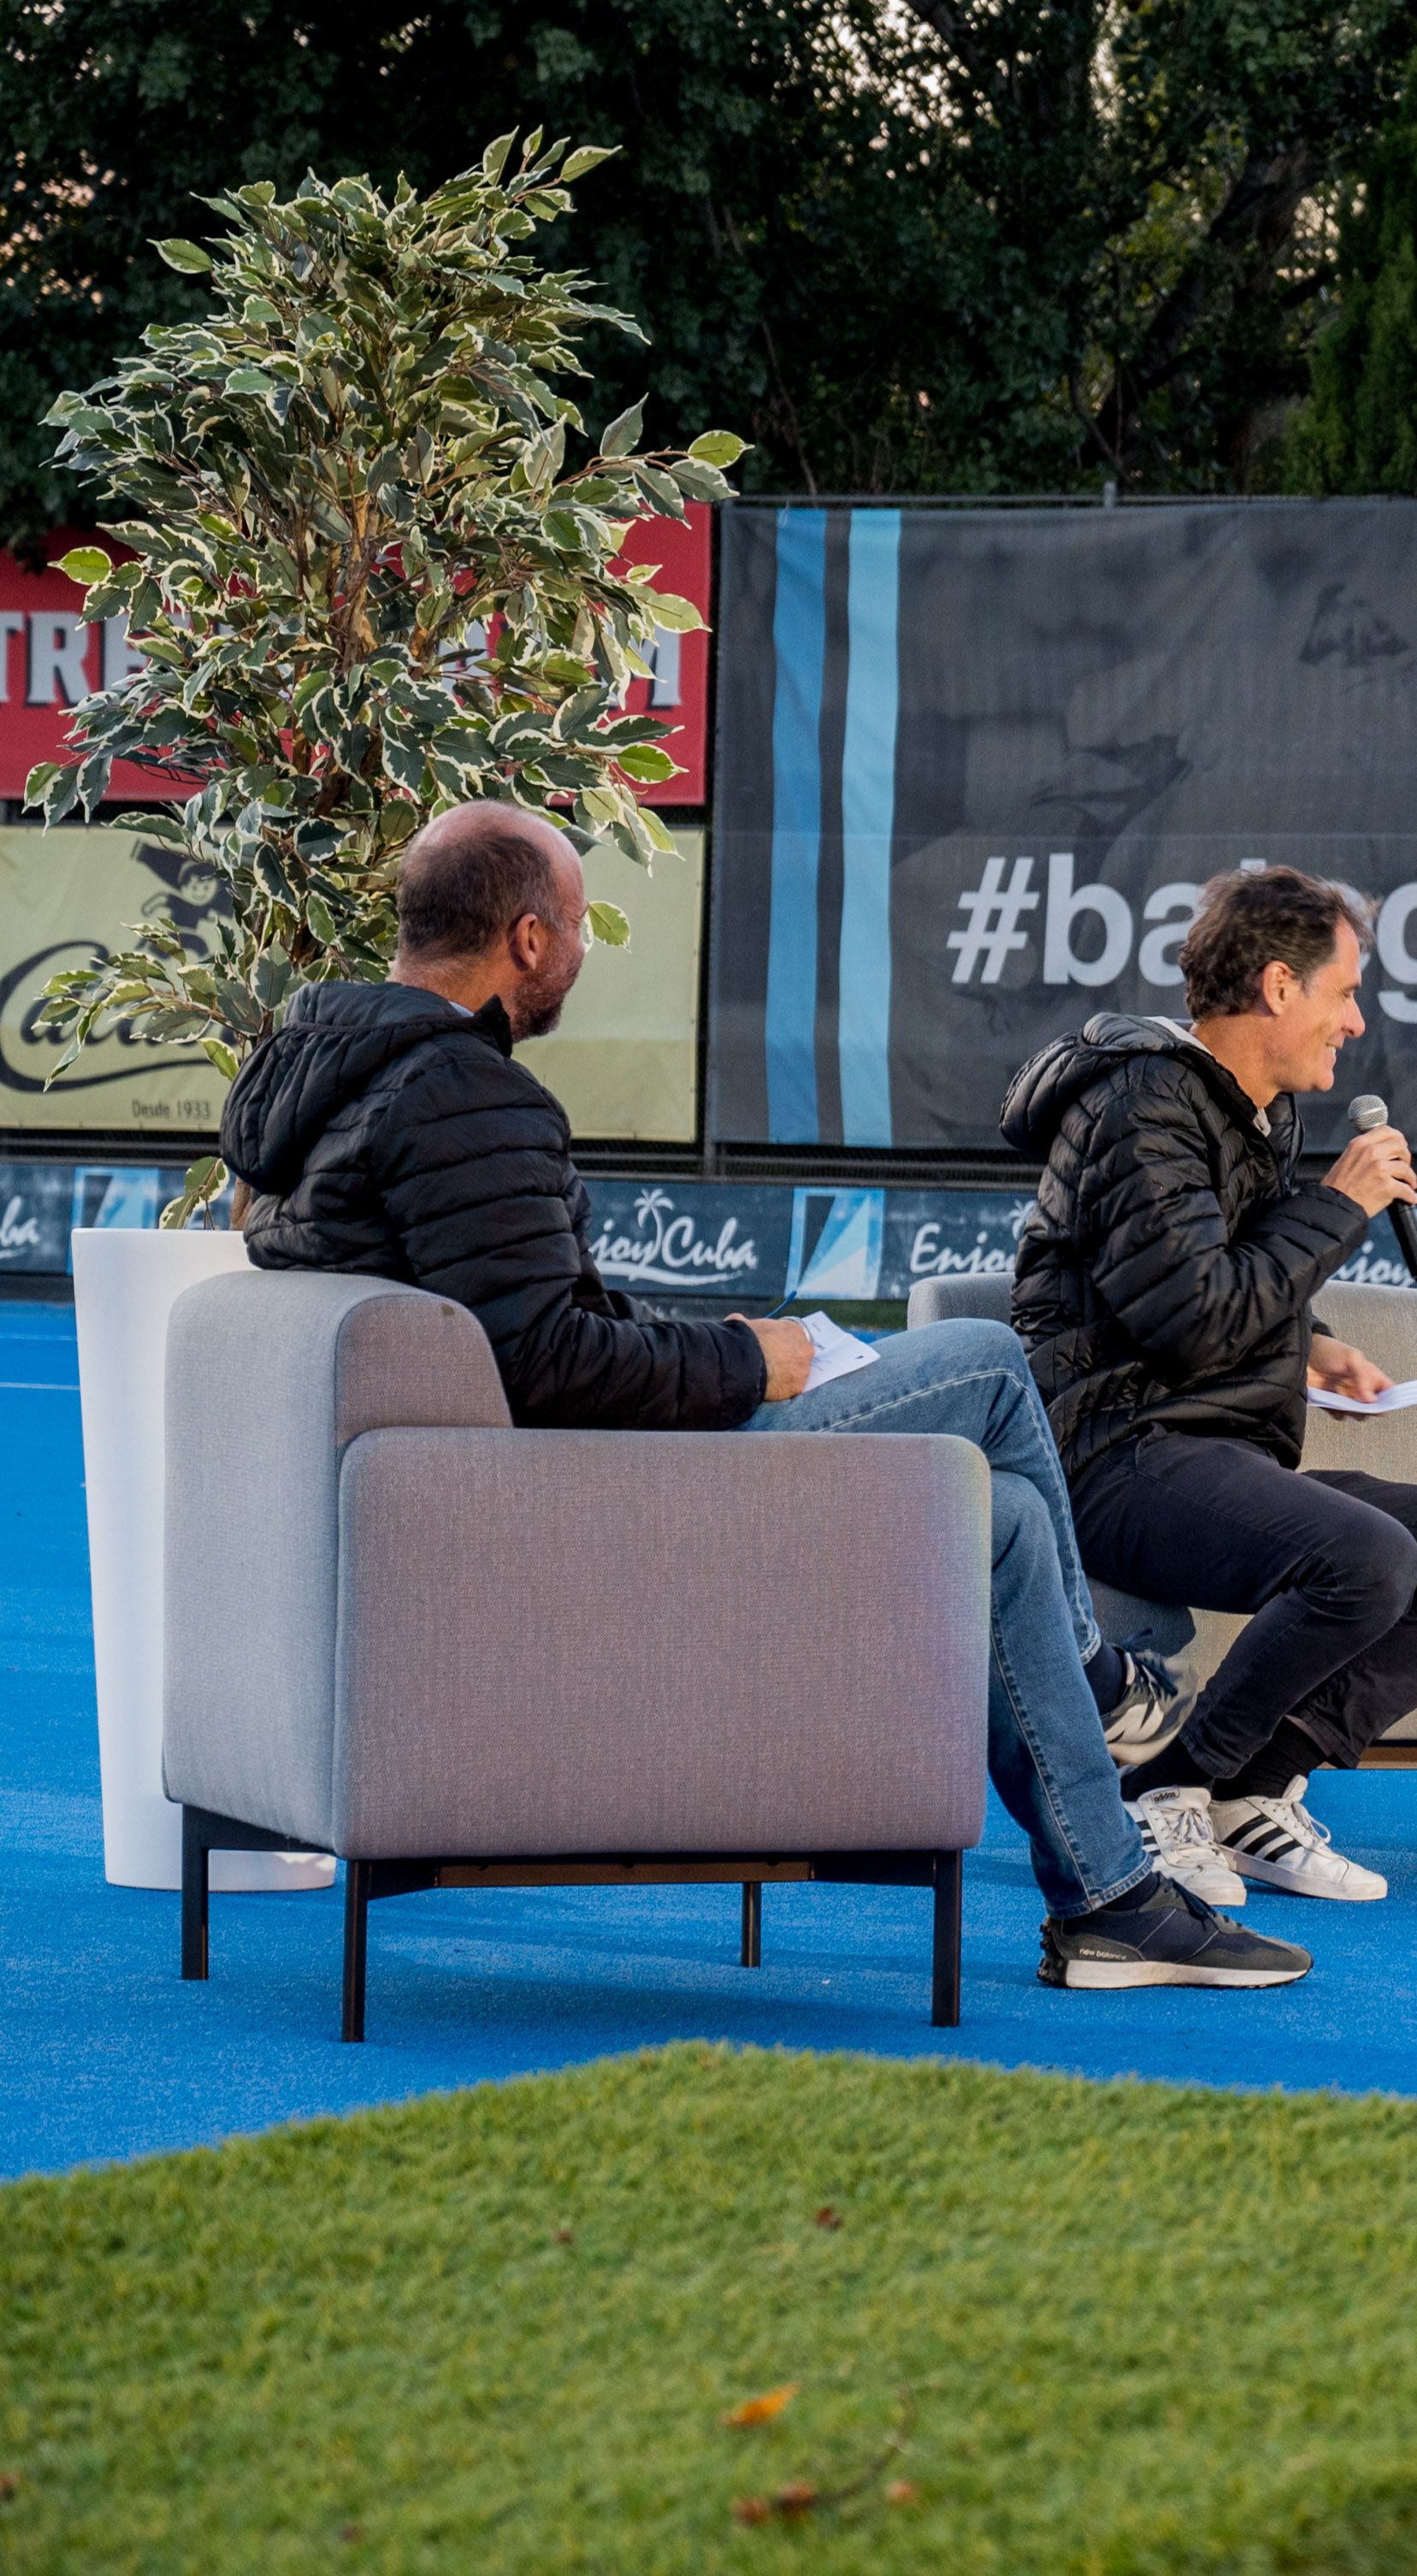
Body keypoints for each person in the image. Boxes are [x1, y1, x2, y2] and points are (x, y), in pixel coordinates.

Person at [218, 801, 1305, 1993]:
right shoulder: (465, 1093)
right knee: (990, 1363)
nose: (582, 954)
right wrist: (754, 1364)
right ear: (527, 939)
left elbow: (518, 1326)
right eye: (578, 929)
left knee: (1004, 1521)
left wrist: (706, 1336)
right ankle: (1108, 1689)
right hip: (592, 1493)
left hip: (513, 1495)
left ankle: (1112, 1903)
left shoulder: (319, 1083)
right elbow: (544, 1363)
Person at [1003, 867, 1417, 1908]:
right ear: (1277, 986)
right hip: (1113, 1451)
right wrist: (1341, 1206)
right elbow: (1190, 1314)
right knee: (1364, 1555)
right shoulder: (1144, 1103)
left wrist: (1311, 1346)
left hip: (1203, 1446)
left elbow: (1194, 1269)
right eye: (1345, 992)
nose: (1356, 1022)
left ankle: (1250, 1788)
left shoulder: (1248, 1112)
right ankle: (1169, 1793)